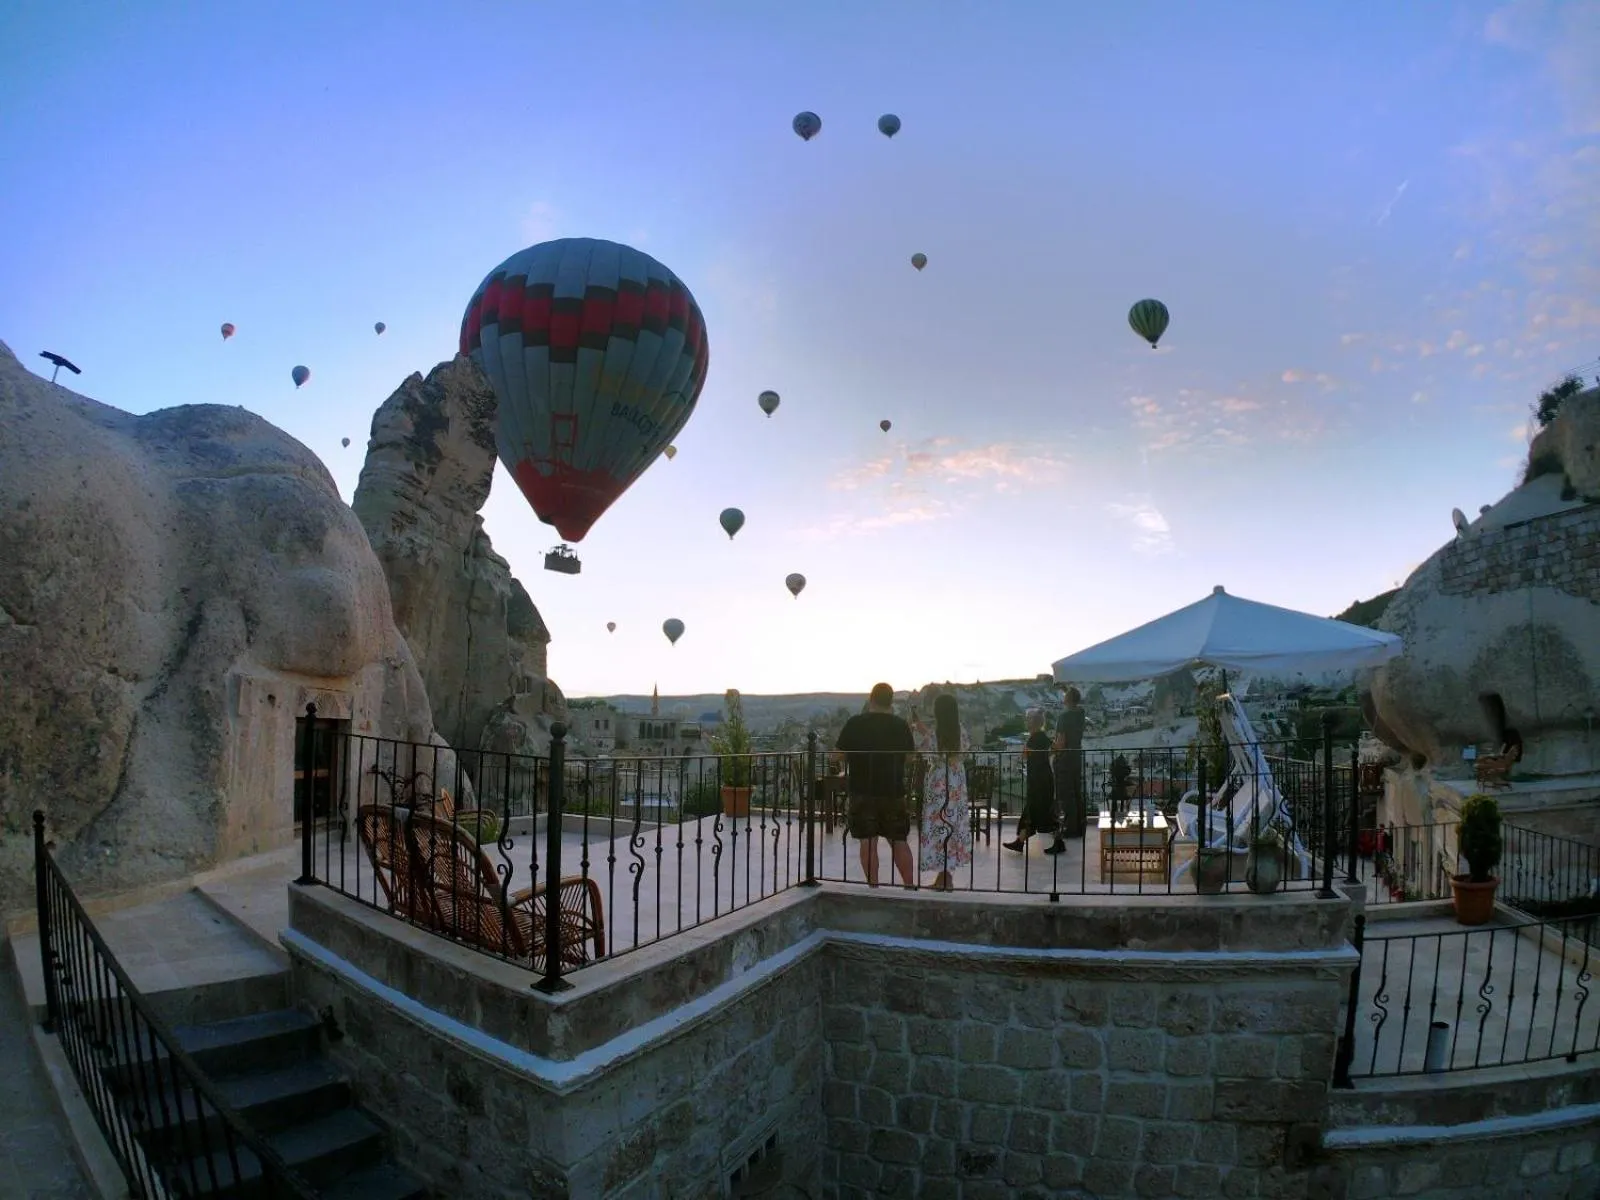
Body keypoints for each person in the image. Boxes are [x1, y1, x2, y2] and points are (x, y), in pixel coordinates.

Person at [832, 683, 916, 887]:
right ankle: (909, 886)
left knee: (868, 842)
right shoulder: (900, 725)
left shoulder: (855, 723)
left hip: (862, 790)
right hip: (892, 789)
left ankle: (874, 887)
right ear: (891, 701)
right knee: (898, 840)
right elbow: (910, 757)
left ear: (871, 699)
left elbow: (837, 755)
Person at [912, 693, 972, 890]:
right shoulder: (960, 729)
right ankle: (945, 877)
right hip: (956, 783)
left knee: (939, 827)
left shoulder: (936, 733)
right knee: (951, 826)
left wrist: (921, 730)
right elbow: (963, 751)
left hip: (939, 782)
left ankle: (944, 878)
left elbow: (926, 751)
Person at [1005, 708, 1057, 852]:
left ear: (1033, 722)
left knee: (1040, 812)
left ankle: (1058, 841)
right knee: (1035, 811)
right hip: (1043, 779)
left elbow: (1024, 756)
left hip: (1038, 780)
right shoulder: (1042, 737)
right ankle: (1020, 842)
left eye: (1028, 719)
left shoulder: (1034, 738)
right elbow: (1053, 749)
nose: (1026, 722)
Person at [1045, 684, 1087, 855]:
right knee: (1076, 792)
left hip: (1065, 758)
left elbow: (1061, 739)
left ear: (1067, 699)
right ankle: (1078, 827)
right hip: (1076, 756)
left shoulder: (1064, 716)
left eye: (1065, 695)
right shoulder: (1080, 714)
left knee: (1065, 794)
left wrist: (1052, 749)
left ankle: (1069, 828)